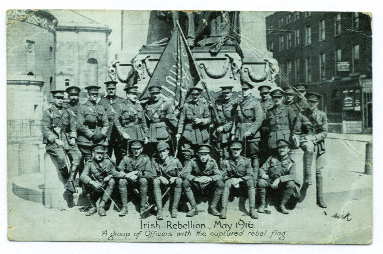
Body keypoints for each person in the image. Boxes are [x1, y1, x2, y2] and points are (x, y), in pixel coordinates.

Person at [41, 89, 82, 199]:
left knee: (78, 156)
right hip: (53, 142)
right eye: (57, 98)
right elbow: (45, 129)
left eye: (61, 98)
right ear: (53, 99)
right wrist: (55, 139)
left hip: (67, 140)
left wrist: (73, 137)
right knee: (61, 157)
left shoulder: (67, 111)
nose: (60, 100)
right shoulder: (48, 112)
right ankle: (67, 179)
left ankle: (70, 182)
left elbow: (73, 125)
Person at [293, 92, 328, 208]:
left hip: (319, 146)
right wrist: (297, 139)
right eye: (310, 102)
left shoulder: (322, 115)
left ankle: (320, 198)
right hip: (306, 141)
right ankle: (307, 178)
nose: (311, 104)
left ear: (317, 103)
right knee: (308, 146)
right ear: (307, 102)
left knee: (319, 171)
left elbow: (324, 132)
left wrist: (315, 137)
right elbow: (296, 131)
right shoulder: (302, 115)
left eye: (314, 102)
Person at [113, 140, 154, 217]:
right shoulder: (126, 158)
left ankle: (142, 207)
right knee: (122, 181)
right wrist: (126, 175)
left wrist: (137, 173)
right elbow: (118, 171)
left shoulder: (146, 159)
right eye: (134, 149)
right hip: (129, 181)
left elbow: (150, 174)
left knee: (143, 180)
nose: (136, 151)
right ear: (131, 149)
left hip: (140, 181)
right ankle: (124, 207)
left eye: (138, 149)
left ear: (141, 149)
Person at [182, 144, 224, 217]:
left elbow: (219, 175)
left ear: (209, 155)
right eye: (201, 154)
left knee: (220, 184)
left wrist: (210, 178)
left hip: (208, 186)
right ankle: (193, 208)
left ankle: (212, 207)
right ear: (198, 154)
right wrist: (196, 178)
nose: (203, 157)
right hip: (197, 186)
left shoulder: (212, 162)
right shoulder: (193, 161)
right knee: (185, 182)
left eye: (205, 154)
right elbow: (184, 173)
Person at [258, 139, 298, 214]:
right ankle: (263, 205)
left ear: (288, 149)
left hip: (281, 185)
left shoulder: (291, 163)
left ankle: (282, 205)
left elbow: (293, 176)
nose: (282, 149)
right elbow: (262, 169)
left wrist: (279, 179)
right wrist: (263, 174)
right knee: (261, 182)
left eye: (284, 147)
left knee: (291, 184)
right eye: (280, 148)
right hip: (270, 182)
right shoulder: (272, 159)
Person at [220, 140, 257, 219]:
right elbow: (222, 174)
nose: (236, 151)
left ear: (241, 150)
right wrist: (231, 179)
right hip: (231, 181)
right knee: (226, 183)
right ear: (230, 150)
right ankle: (223, 209)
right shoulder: (226, 161)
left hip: (242, 182)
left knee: (251, 182)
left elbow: (250, 174)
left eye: (238, 149)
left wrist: (240, 180)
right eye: (234, 149)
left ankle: (252, 209)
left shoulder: (246, 161)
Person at [234, 79, 263, 175]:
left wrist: (251, 131)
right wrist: (235, 133)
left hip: (252, 135)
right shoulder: (240, 103)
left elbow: (259, 119)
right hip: (240, 133)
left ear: (250, 90)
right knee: (242, 155)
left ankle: (254, 179)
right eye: (243, 89)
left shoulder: (255, 103)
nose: (244, 91)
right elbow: (237, 120)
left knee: (254, 155)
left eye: (246, 89)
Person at [114, 85, 148, 165]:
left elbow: (143, 122)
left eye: (136, 94)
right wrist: (122, 133)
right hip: (127, 132)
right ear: (127, 95)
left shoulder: (139, 106)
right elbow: (116, 121)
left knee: (138, 152)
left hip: (138, 133)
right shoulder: (121, 106)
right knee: (126, 153)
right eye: (132, 94)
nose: (135, 96)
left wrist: (146, 135)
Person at [80, 142, 116, 216]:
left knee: (111, 181)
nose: (100, 155)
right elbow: (82, 175)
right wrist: (93, 182)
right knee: (85, 181)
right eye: (98, 153)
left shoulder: (108, 162)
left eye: (102, 153)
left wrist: (109, 176)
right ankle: (92, 206)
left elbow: (114, 172)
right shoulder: (89, 163)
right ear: (93, 153)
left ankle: (102, 206)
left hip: (104, 188)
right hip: (93, 188)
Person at [76, 85, 109, 166]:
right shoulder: (82, 108)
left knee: (100, 159)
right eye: (92, 94)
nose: (94, 96)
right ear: (88, 95)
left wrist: (101, 134)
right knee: (88, 160)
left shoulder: (100, 108)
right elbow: (80, 125)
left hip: (99, 138)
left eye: (96, 94)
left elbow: (106, 123)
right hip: (86, 139)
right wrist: (91, 135)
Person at [151, 141, 184, 219]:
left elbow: (183, 173)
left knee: (179, 180)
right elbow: (152, 174)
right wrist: (160, 177)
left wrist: (175, 177)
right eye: (160, 152)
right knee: (155, 181)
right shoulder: (155, 161)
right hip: (162, 184)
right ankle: (159, 211)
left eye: (164, 151)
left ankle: (174, 209)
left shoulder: (175, 161)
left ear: (168, 151)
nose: (162, 154)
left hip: (173, 183)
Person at [143, 85, 178, 156]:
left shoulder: (166, 104)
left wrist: (177, 130)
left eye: (157, 93)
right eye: (153, 93)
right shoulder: (147, 104)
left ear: (160, 93)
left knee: (163, 150)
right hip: (151, 132)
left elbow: (172, 119)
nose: (155, 95)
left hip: (162, 132)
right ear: (150, 94)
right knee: (152, 152)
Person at [176, 87, 212, 155]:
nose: (195, 96)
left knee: (202, 152)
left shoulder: (204, 105)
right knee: (187, 153)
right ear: (191, 95)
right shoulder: (186, 106)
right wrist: (179, 133)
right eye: (193, 94)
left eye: (197, 94)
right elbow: (181, 121)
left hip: (201, 133)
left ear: (199, 95)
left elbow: (209, 119)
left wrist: (201, 120)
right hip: (189, 133)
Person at [98, 81, 125, 160]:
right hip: (107, 131)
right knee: (107, 153)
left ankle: (119, 171)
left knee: (119, 153)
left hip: (118, 130)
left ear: (116, 89)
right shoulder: (101, 102)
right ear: (106, 89)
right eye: (109, 89)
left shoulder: (121, 100)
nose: (111, 90)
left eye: (113, 89)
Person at [265, 88, 296, 155]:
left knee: (285, 156)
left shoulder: (288, 109)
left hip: (285, 137)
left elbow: (293, 124)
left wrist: (292, 136)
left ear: (282, 98)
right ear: (272, 99)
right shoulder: (269, 111)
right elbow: (267, 126)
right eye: (274, 97)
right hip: (273, 138)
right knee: (274, 156)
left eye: (279, 97)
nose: (276, 99)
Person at [213, 85, 237, 161]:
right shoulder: (218, 102)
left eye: (228, 93)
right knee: (219, 152)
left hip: (228, 131)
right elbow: (215, 115)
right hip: (219, 130)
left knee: (227, 152)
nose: (226, 95)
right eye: (224, 93)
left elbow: (234, 120)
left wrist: (224, 127)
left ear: (231, 93)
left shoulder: (234, 104)